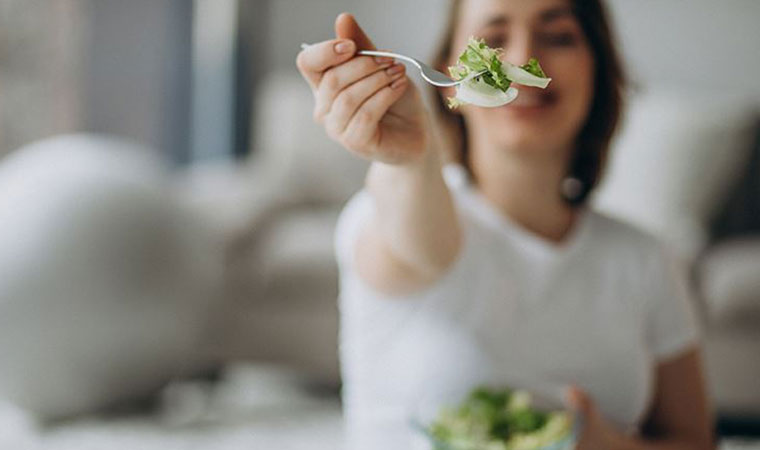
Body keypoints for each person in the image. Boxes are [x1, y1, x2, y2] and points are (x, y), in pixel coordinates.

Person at [296, 1, 714, 449]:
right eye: (493, 39)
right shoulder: (389, 212)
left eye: (558, 37)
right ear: (447, 73)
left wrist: (608, 446)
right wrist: (411, 162)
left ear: (597, 67)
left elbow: (695, 440)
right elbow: (421, 243)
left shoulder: (645, 259)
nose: (518, 60)